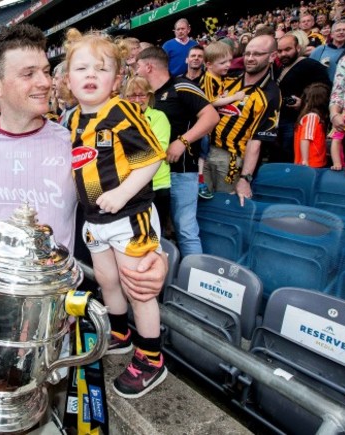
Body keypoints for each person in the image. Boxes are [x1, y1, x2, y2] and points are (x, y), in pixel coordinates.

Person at [0, 23, 168, 434]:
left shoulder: (74, 138)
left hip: (52, 322)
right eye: (28, 73)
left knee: (41, 415)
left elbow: (125, 203)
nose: (44, 81)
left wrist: (151, 256)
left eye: (45, 70)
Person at [64, 29, 167, 399]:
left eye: (101, 68)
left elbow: (152, 156)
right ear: (68, 78)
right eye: (82, 68)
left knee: (138, 288)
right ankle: (120, 334)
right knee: (107, 281)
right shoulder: (72, 119)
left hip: (129, 217)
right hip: (95, 221)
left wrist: (123, 193)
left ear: (117, 77)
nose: (91, 75)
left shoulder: (120, 110)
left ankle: (152, 357)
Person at [135, 46, 219, 256]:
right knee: (158, 230)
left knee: (186, 230)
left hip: (182, 172)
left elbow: (211, 117)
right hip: (155, 175)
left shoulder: (181, 86)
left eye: (137, 66)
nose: (135, 71)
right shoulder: (148, 96)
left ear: (148, 66)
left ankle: (193, 281)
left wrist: (182, 141)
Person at [204, 35, 281, 206]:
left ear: (272, 56)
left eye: (258, 54)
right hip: (204, 152)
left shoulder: (271, 94)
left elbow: (257, 141)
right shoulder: (227, 77)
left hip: (229, 160)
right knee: (197, 204)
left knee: (222, 207)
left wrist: (245, 178)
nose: (250, 58)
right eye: (247, 53)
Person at [198, 42, 247, 200]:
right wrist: (233, 97)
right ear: (209, 65)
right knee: (203, 152)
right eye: (222, 63)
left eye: (229, 61)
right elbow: (210, 101)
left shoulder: (219, 77)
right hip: (203, 125)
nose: (228, 65)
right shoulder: (208, 78)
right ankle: (200, 180)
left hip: (213, 127)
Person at [273, 33, 331, 164]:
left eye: (287, 49)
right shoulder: (280, 68)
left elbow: (325, 91)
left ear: (298, 48)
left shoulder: (311, 66)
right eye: (280, 51)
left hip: (299, 122)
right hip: (279, 121)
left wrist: (304, 103)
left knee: (292, 157)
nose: (283, 54)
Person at [124, 76, 171, 235]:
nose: (137, 100)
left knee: (156, 235)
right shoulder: (121, 120)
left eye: (142, 95)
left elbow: (158, 150)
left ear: (149, 96)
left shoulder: (159, 117)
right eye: (132, 96)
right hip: (130, 186)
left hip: (157, 185)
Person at [294, 83, 330, 167]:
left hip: (314, 163)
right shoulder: (312, 117)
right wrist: (305, 161)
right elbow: (305, 139)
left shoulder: (311, 116)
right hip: (312, 163)